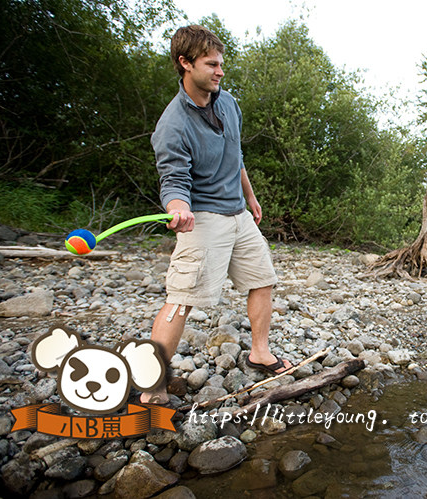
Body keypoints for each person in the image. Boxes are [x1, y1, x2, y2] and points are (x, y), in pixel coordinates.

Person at [140, 25, 291, 405]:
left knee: (263, 280)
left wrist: (250, 197)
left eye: (221, 63)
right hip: (203, 217)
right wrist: (178, 208)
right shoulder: (172, 125)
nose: (220, 71)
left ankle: (259, 353)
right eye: (212, 64)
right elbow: (173, 180)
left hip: (239, 214)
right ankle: (152, 384)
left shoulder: (229, 104)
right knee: (181, 298)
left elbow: (236, 156)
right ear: (185, 63)